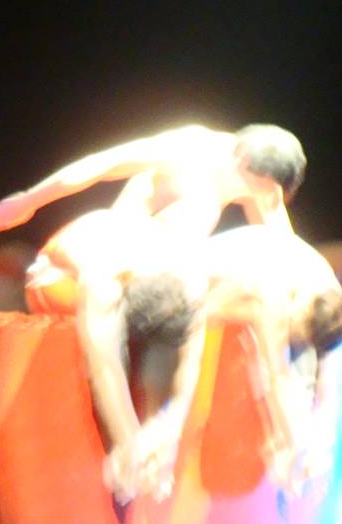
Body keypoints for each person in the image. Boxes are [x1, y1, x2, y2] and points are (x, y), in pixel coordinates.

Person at [25, 209, 207, 504]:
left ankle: (151, 435)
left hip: (145, 281)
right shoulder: (102, 279)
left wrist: (169, 429)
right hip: (56, 278)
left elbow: (190, 360)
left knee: (166, 351)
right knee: (109, 343)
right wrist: (129, 445)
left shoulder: (193, 281)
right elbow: (104, 368)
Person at [200, 225, 342, 491]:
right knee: (281, 377)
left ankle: (306, 445)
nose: (297, 337)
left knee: (307, 379)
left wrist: (320, 440)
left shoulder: (329, 294)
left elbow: (330, 377)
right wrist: (287, 441)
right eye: (301, 331)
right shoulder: (273, 298)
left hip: (266, 284)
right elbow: (274, 375)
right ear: (303, 307)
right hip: (213, 289)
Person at [0, 123, 305, 240]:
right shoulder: (191, 147)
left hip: (176, 265)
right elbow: (102, 164)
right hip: (127, 239)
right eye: (259, 186)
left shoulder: (265, 184)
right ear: (242, 159)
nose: (263, 195)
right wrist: (28, 200)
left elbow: (282, 245)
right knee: (202, 207)